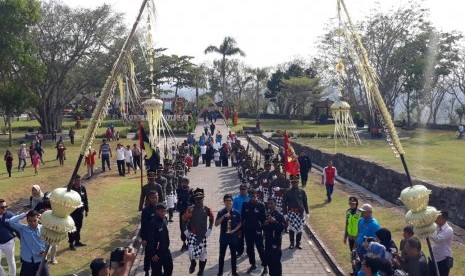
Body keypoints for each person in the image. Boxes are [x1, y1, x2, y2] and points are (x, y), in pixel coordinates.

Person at [8, 210, 49, 276]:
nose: (32, 223)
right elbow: (11, 221)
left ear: (38, 219)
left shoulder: (44, 229)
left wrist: (46, 251)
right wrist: (25, 214)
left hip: (41, 261)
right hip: (27, 262)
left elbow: (49, 242)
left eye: (34, 220)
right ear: (27, 220)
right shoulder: (22, 229)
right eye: (30, 221)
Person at [185, 188, 214, 276]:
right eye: (197, 198)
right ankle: (193, 263)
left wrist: (209, 229)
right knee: (191, 251)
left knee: (202, 254)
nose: (199, 200)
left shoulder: (207, 208)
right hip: (192, 233)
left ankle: (201, 271)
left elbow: (212, 218)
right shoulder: (190, 209)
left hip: (202, 234)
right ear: (194, 199)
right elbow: (183, 219)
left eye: (201, 198)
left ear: (203, 198)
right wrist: (185, 230)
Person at [241, 188, 267, 274]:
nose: (253, 198)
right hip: (248, 230)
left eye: (254, 196)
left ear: (256, 196)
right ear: (248, 196)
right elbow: (242, 218)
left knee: (260, 248)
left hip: (257, 231)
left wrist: (263, 232)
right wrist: (241, 230)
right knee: (249, 249)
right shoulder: (245, 205)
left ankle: (265, 265)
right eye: (251, 196)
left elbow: (264, 220)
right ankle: (253, 264)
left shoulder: (261, 206)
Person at [215, 194, 241, 276]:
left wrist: (235, 230)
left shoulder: (236, 212)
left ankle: (234, 272)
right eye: (226, 201)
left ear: (232, 202)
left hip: (233, 237)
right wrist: (223, 216)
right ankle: (220, 272)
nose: (228, 202)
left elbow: (240, 223)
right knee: (221, 256)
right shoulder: (221, 212)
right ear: (224, 202)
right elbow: (216, 224)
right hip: (223, 237)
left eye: (229, 201)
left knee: (233, 256)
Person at [282, 174, 310, 250]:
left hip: (300, 213)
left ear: (298, 182)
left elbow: (305, 202)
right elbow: (284, 203)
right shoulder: (287, 192)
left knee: (300, 229)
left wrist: (307, 212)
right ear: (291, 183)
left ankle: (298, 243)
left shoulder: (302, 191)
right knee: (291, 228)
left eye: (296, 182)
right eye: (293, 182)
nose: (295, 183)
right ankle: (291, 243)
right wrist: (285, 214)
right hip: (291, 213)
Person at [146, 203, 173, 276]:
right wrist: (153, 254)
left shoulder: (164, 219)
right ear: (157, 211)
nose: (163, 213)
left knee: (169, 268)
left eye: (165, 211)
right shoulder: (153, 223)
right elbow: (150, 240)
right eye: (161, 211)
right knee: (156, 273)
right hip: (156, 253)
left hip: (165, 250)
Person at [262, 197, 285, 276]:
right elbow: (262, 227)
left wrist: (274, 221)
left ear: (275, 204)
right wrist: (265, 224)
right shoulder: (266, 215)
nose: (270, 205)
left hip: (276, 244)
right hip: (267, 243)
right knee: (270, 263)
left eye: (271, 203)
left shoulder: (279, 216)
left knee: (276, 265)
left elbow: (282, 228)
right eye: (268, 204)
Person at [356, 204, 381, 270]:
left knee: (365, 268)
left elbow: (377, 241)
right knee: (357, 265)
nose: (361, 213)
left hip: (367, 251)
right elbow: (358, 234)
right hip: (358, 247)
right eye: (361, 211)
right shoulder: (360, 220)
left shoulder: (375, 225)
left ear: (370, 212)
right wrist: (354, 247)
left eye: (363, 212)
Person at [140, 191, 159, 276]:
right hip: (148, 236)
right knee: (148, 255)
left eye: (156, 197)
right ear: (148, 199)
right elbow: (143, 225)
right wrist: (143, 238)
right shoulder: (146, 210)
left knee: (157, 253)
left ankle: (156, 270)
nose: (154, 199)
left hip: (158, 236)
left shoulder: (159, 208)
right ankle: (147, 271)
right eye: (152, 198)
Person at [430, 210, 453, 276]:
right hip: (433, 257)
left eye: (438, 217)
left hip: (442, 259)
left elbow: (437, 239)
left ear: (444, 219)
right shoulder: (435, 226)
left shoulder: (449, 230)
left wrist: (427, 232)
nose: (436, 219)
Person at [69, 175, 89, 250]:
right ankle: (71, 243)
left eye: (80, 180)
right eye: (77, 180)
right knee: (71, 228)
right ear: (74, 181)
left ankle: (77, 241)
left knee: (78, 227)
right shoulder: (70, 189)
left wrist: (87, 210)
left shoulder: (83, 188)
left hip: (80, 211)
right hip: (72, 212)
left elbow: (85, 199)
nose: (79, 182)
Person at [176, 177, 195, 251]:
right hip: (182, 212)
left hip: (189, 213)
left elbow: (193, 201)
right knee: (182, 228)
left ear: (188, 183)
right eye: (183, 182)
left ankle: (189, 242)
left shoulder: (191, 191)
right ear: (181, 183)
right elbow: (180, 198)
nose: (184, 184)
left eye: (186, 182)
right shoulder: (178, 190)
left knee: (190, 227)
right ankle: (184, 242)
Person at [0, 199, 17, 276]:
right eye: (2, 207)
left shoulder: (10, 215)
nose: (4, 208)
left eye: (5, 206)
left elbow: (17, 228)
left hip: (9, 242)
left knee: (11, 261)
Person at [233, 184, 250, 257]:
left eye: (244, 189)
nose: (243, 191)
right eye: (241, 190)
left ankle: (249, 251)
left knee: (249, 237)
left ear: (247, 190)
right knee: (239, 237)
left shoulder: (250, 198)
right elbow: (233, 210)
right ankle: (240, 251)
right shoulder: (236, 198)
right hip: (239, 221)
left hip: (248, 221)